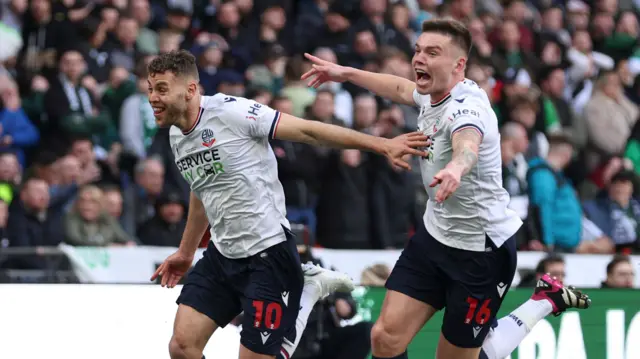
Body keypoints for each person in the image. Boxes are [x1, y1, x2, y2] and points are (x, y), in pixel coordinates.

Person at [302, 18, 591, 359]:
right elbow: (397, 89)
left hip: (481, 253)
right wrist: (346, 74)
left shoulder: (469, 107)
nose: (419, 59)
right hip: (434, 237)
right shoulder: (430, 93)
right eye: (418, 50)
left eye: (432, 53)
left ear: (458, 65)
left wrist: (456, 167)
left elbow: (467, 143)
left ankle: (543, 302)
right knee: (384, 338)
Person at [147, 50, 429, 359]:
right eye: (150, 88)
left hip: (268, 258)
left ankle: (305, 293)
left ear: (190, 91)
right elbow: (201, 189)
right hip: (222, 256)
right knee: (181, 347)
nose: (152, 97)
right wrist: (187, 252)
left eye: (161, 88)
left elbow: (309, 131)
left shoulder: (233, 113)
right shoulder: (178, 135)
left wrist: (381, 144)